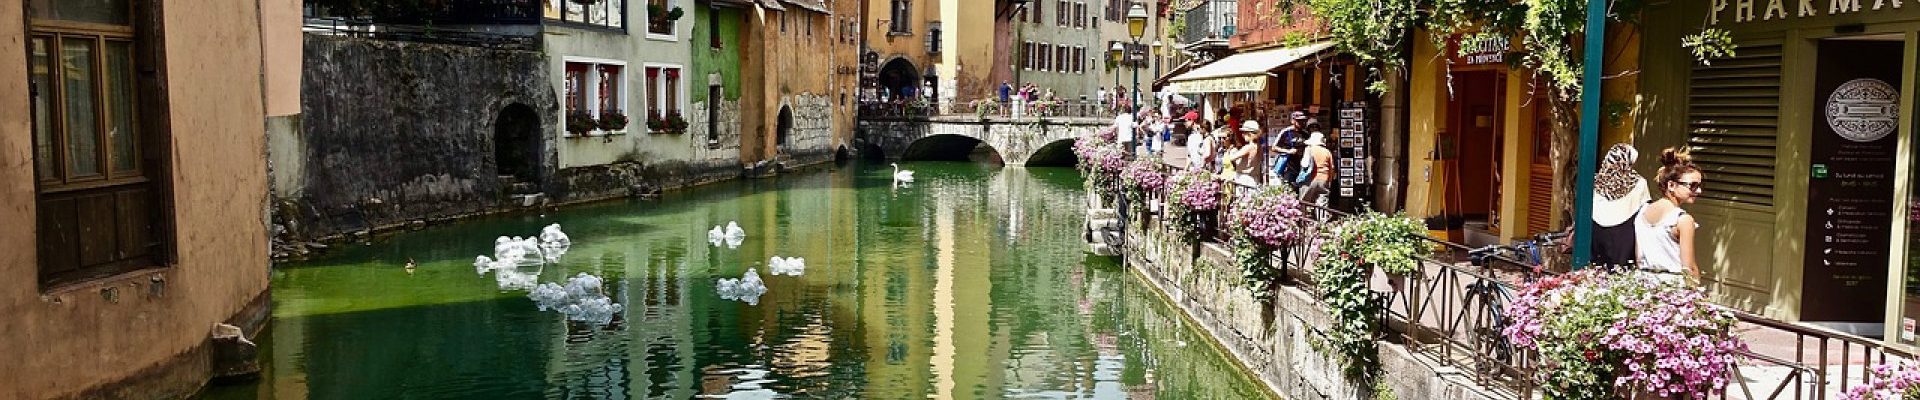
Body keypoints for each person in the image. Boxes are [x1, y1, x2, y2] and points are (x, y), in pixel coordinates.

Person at [1636, 147, 1705, 286]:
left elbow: (1638, 258)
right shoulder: (1683, 219)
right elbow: (1689, 267)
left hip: (1643, 284)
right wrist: (1696, 296)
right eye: (1692, 185)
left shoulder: (1642, 212)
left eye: (1700, 185)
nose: (1699, 190)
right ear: (1671, 185)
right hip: (1672, 288)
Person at [1591, 143, 1651, 269]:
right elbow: (1644, 207)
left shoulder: (1596, 181)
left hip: (1595, 232)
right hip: (1624, 236)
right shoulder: (1639, 183)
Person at [1220, 121, 1264, 186]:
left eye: (1244, 132)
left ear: (1249, 134)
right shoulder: (1259, 147)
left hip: (1244, 178)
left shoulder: (1248, 147)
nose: (1242, 135)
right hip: (1254, 178)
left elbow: (1232, 158)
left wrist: (1230, 150)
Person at [1270, 112, 1308, 188]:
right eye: (1298, 120)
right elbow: (1274, 147)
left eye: (1303, 121)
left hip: (1302, 167)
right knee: (1288, 188)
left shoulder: (1306, 134)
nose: (1301, 123)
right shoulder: (1286, 132)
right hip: (1289, 167)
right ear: (1292, 121)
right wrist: (1288, 151)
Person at [1298, 128, 1334, 205]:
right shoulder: (1327, 152)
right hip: (1324, 179)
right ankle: (1322, 217)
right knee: (1322, 204)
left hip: (1310, 179)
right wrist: (1329, 181)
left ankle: (1306, 216)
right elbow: (1332, 168)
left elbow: (1304, 164)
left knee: (1305, 203)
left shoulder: (1309, 149)